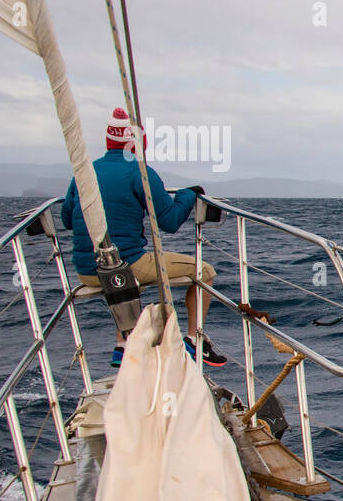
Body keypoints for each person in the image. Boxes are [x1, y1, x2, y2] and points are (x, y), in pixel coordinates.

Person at [61, 106, 227, 368]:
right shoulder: (139, 172)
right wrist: (187, 194)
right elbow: (170, 222)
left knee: (125, 273)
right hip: (125, 266)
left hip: (86, 271)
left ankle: (123, 344)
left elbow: (67, 221)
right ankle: (195, 340)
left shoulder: (84, 173)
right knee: (204, 272)